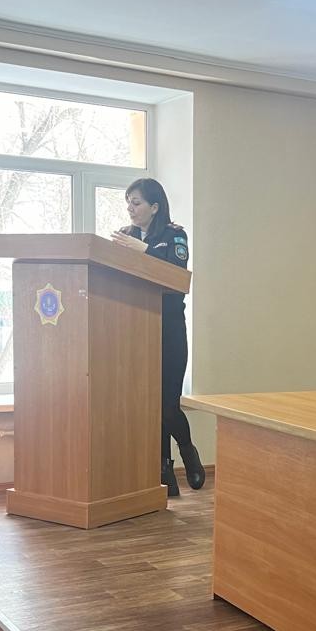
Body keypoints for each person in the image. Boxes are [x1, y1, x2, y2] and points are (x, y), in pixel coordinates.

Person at [108, 178, 204, 497]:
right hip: (137, 328)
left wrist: (144, 250)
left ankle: (187, 451)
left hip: (170, 327)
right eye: (128, 202)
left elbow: (177, 276)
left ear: (154, 207)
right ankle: (163, 472)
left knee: (167, 405)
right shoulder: (126, 235)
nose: (130, 209)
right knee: (148, 405)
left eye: (136, 202)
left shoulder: (174, 235)